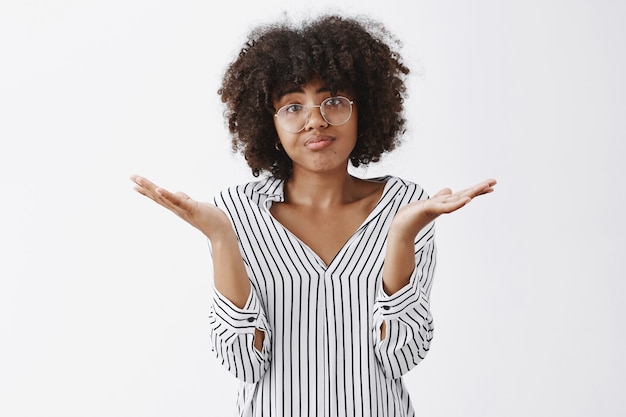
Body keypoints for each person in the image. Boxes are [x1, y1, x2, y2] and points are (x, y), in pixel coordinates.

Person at [131, 13, 496, 417]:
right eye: (292, 106)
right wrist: (220, 237)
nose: (315, 120)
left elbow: (400, 357)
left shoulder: (406, 206)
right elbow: (243, 363)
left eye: (334, 101)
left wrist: (402, 236)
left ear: (365, 109)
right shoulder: (235, 213)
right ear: (268, 122)